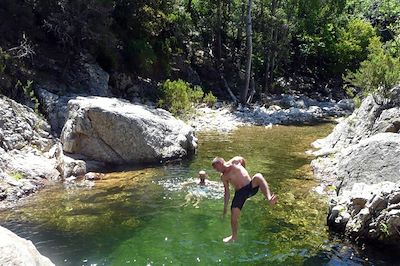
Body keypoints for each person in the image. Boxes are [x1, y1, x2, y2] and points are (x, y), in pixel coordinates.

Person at [211, 156, 278, 243]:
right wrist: (225, 208)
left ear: (220, 163)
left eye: (216, 168)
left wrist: (244, 170)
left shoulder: (235, 161)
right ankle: (233, 236)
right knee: (233, 215)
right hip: (240, 194)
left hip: (250, 187)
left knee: (258, 176)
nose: (217, 170)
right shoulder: (224, 177)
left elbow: (242, 160)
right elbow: (227, 192)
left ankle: (269, 198)